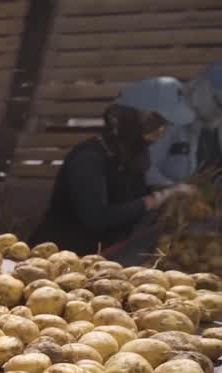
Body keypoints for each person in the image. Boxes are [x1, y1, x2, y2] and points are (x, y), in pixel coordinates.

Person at [32, 77, 198, 257]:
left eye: (166, 124)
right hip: (58, 258)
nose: (161, 131)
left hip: (104, 260)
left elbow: (131, 198)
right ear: (126, 117)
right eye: (155, 121)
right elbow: (97, 217)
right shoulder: (89, 158)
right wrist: (158, 198)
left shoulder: (131, 156)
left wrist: (169, 195)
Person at [148, 62, 222, 187]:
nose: (219, 111)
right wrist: (173, 190)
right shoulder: (168, 116)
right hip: (168, 199)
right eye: (219, 103)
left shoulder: (214, 124)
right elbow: (146, 170)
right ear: (202, 89)